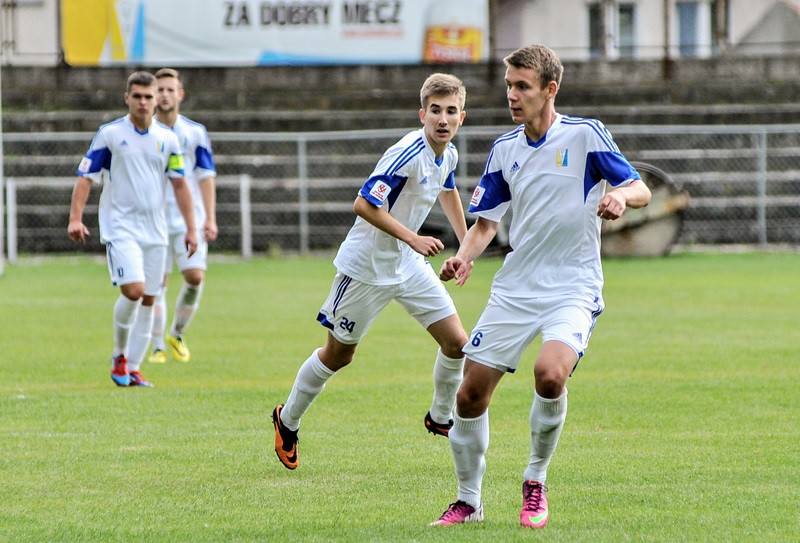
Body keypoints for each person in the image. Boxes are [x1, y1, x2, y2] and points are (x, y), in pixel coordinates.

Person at [430, 44, 652, 528]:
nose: (512, 94)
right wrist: (463, 258)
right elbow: (486, 223)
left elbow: (641, 187)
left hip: (572, 286)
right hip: (516, 287)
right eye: (509, 85)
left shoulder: (585, 135)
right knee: (469, 396)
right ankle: (469, 501)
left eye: (522, 86)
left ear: (550, 89)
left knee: (550, 374)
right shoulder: (504, 149)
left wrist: (618, 196)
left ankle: (535, 480)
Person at [272, 73, 472, 470]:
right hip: (366, 268)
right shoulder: (406, 152)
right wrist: (414, 238)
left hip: (407, 265)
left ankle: (440, 417)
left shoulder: (446, 153)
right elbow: (363, 205)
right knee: (338, 355)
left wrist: (464, 249)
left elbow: (447, 189)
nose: (443, 119)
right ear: (423, 114)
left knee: (456, 343)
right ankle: (287, 420)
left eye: (451, 111)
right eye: (435, 111)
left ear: (461, 117)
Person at [68, 71, 197, 388]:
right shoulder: (110, 135)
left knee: (150, 299)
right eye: (137, 96)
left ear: (156, 100)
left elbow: (180, 185)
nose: (143, 102)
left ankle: (134, 367)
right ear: (127, 98)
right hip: (120, 226)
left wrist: (192, 228)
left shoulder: (168, 140)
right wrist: (75, 217)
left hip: (155, 231)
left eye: (148, 96)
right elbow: (86, 177)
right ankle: (119, 355)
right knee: (134, 291)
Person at [146, 68, 218, 365]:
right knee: (156, 284)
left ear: (180, 94)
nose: (164, 95)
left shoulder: (194, 132)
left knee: (195, 276)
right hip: (154, 219)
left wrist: (210, 218)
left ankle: (177, 333)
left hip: (190, 218)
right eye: (159, 89)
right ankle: (157, 346)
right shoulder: (145, 132)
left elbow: (205, 176)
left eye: (169, 89)